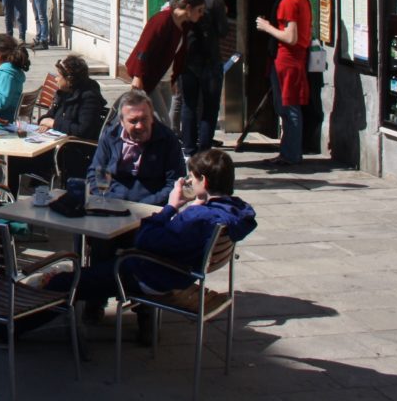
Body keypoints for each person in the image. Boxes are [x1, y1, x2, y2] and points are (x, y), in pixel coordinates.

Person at [38, 148, 256, 346]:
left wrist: (171, 207)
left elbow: (144, 240)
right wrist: (197, 203)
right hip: (178, 274)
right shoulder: (234, 212)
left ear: (204, 181)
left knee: (63, 282)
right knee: (89, 273)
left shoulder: (198, 218)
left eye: (192, 178)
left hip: (152, 276)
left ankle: (19, 323)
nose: (189, 181)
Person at [255, 0, 311, 167]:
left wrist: (267, 27)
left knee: (288, 107)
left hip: (287, 60)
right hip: (291, 59)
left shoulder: (289, 2)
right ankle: (288, 152)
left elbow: (291, 37)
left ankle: (291, 154)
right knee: (287, 107)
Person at [87, 89, 187, 205]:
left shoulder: (167, 139)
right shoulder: (110, 136)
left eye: (144, 119)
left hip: (152, 205)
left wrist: (145, 205)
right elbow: (95, 172)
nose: (139, 126)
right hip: (113, 201)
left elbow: (175, 182)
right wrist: (108, 199)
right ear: (122, 122)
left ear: (152, 117)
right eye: (133, 121)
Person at [124, 0, 207, 124]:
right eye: (199, 10)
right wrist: (138, 76)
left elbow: (176, 56)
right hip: (150, 79)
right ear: (188, 8)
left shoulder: (184, 26)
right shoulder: (162, 20)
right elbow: (144, 48)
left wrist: (173, 79)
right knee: (164, 123)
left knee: (156, 124)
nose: (201, 14)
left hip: (166, 80)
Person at [180, 0, 230, 155]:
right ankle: (205, 151)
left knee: (189, 105)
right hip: (209, 60)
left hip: (187, 59)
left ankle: (188, 149)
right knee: (210, 107)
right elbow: (223, 30)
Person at [38, 55, 107, 139]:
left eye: (59, 76)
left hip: (74, 144)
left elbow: (83, 131)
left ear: (69, 79)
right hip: (58, 140)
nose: (56, 79)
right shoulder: (64, 93)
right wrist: (44, 122)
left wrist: (53, 124)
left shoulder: (89, 98)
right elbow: (49, 116)